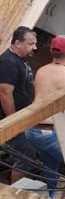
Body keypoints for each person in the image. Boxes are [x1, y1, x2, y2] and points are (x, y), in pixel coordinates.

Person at [26, 35, 65, 197]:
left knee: (51, 164)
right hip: (47, 133)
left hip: (31, 130)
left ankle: (50, 196)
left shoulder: (42, 70)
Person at [0, 26, 39, 183]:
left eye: (35, 44)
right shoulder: (8, 62)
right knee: (26, 157)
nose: (34, 47)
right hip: (8, 119)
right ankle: (11, 197)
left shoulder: (20, 60)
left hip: (19, 118)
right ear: (17, 43)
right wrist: (13, 122)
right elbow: (4, 93)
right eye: (31, 44)